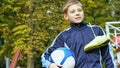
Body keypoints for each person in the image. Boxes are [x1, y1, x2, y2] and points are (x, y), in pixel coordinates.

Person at [41, 0, 116, 68]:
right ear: (66, 16)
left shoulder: (97, 30)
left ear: (83, 12)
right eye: (73, 12)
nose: (77, 13)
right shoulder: (63, 36)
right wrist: (50, 65)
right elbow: (45, 55)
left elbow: (108, 56)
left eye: (79, 10)